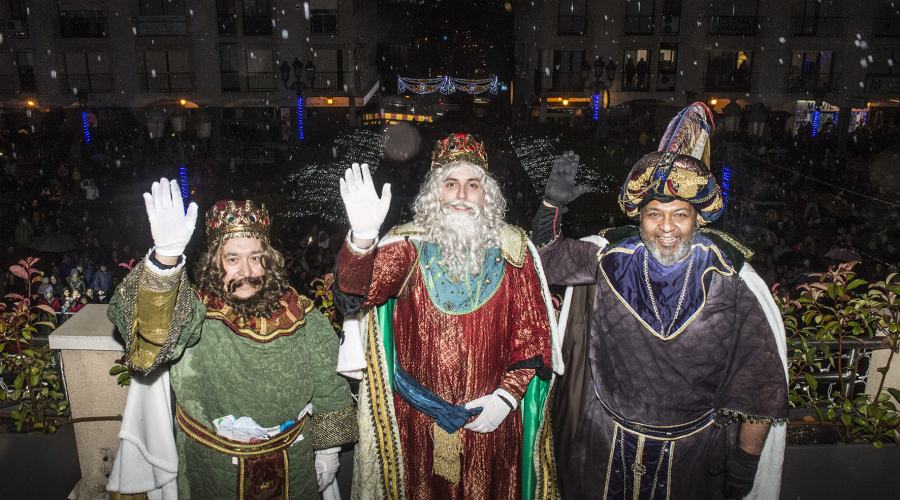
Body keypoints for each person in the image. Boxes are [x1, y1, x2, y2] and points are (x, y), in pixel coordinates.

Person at [532, 103, 788, 499]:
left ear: (699, 218)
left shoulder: (732, 281)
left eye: (680, 214)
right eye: (655, 214)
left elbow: (759, 386)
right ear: (640, 217)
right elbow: (544, 262)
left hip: (693, 456)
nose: (666, 227)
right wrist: (551, 206)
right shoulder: (609, 257)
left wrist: (744, 462)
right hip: (604, 444)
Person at [335, 133, 561, 500]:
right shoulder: (407, 247)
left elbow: (533, 337)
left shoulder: (515, 252)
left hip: (493, 423)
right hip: (415, 426)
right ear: (434, 193)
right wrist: (362, 239)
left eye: (472, 185)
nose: (460, 195)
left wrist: (507, 397)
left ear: (486, 195)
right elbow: (352, 297)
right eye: (450, 184)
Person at [106, 178, 357, 499]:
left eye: (255, 257)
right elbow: (146, 346)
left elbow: (329, 389)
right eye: (232, 259)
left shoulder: (303, 315)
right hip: (210, 472)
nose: (247, 271)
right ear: (214, 263)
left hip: (293, 470)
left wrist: (328, 455)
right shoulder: (193, 313)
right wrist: (164, 260)